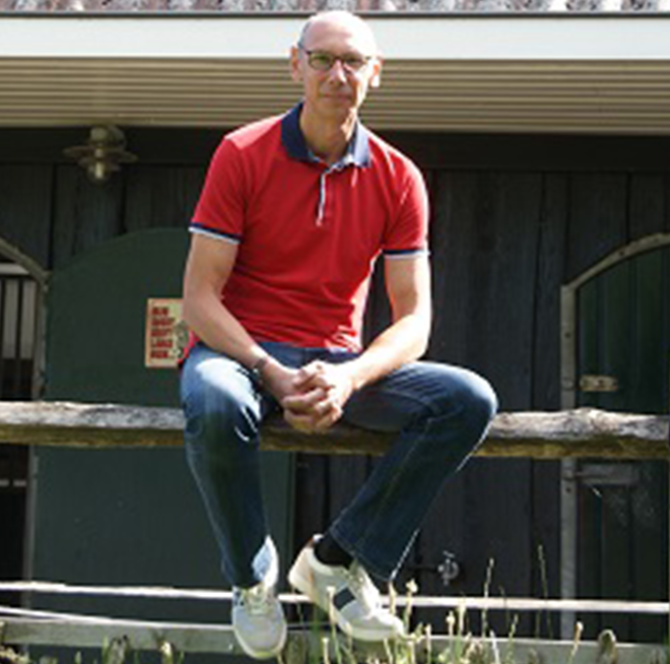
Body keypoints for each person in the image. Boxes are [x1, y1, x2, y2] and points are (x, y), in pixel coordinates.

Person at [180, 10, 498, 658]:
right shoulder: (242, 153)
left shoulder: (397, 176)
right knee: (216, 401)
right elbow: (199, 298)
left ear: (375, 75)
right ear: (295, 65)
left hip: (335, 363)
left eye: (353, 61)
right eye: (322, 59)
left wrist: (349, 377)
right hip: (240, 355)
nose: (337, 74)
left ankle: (339, 559)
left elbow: (414, 319)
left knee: (467, 400)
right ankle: (251, 578)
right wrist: (269, 369)